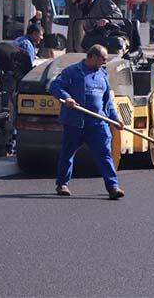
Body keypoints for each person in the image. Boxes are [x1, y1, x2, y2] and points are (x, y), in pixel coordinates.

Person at [48, 44, 125, 200]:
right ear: (93, 57)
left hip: (98, 124)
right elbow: (54, 86)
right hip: (75, 122)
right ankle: (62, 184)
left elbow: (108, 102)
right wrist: (66, 98)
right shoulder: (72, 72)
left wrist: (115, 119)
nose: (105, 62)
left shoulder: (102, 75)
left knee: (105, 154)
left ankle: (113, 186)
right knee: (67, 154)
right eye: (103, 59)